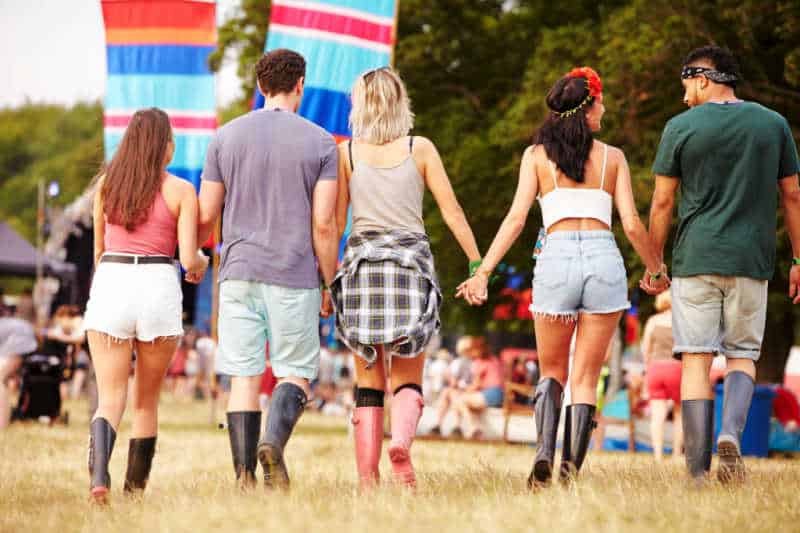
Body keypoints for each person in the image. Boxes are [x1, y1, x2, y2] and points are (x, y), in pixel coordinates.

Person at [457, 66, 667, 487]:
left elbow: (516, 219)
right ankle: (570, 469)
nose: (605, 109)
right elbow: (629, 223)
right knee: (586, 378)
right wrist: (656, 268)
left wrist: (483, 273)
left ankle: (542, 453)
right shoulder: (613, 158)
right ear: (588, 110)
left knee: (552, 371)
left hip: (555, 259)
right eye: (601, 102)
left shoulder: (537, 157)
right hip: (603, 259)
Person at [647, 45, 800, 483]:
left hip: (695, 259)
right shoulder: (773, 125)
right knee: (742, 355)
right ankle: (730, 434)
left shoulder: (680, 127)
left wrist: (656, 264)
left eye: (686, 88)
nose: (683, 98)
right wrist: (798, 258)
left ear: (702, 78)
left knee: (695, 359)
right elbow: (792, 195)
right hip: (752, 260)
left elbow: (662, 201)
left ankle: (697, 472)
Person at [331, 66, 481, 489]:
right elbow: (452, 211)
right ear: (401, 103)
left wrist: (328, 279)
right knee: (408, 374)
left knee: (368, 381)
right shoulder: (421, 148)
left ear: (359, 105)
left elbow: (336, 219)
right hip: (410, 268)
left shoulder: (348, 154)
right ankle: (400, 442)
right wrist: (476, 265)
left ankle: (366, 477)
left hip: (363, 270)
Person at [197, 48, 338, 489]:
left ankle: (243, 476)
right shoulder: (320, 142)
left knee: (244, 374)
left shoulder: (224, 137)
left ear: (260, 87)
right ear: (301, 85)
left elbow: (206, 213)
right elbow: (324, 222)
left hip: (238, 269)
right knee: (294, 368)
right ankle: (273, 441)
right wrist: (329, 282)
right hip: (293, 272)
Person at [82, 107, 208, 503]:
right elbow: (188, 259)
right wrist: (202, 263)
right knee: (146, 401)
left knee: (110, 396)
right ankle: (134, 494)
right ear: (165, 146)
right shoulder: (181, 191)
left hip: (112, 282)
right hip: (156, 286)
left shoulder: (106, 186)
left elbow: (99, 250)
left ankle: (99, 478)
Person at [641, 291, 682, 460]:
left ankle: (657, 455)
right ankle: (676, 453)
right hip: (676, 369)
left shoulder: (652, 321)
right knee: (680, 413)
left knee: (658, 414)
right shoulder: (681, 323)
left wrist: (648, 368)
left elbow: (645, 350)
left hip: (656, 369)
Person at [455, 337, 505, 439]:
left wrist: (463, 391)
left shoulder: (479, 362)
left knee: (460, 401)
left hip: (490, 393)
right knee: (470, 406)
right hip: (500, 394)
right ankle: (477, 430)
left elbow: (476, 385)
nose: (470, 354)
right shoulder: (494, 360)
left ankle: (473, 427)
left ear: (476, 350)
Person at [430, 336, 474, 436]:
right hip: (464, 390)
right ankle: (452, 426)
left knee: (450, 393)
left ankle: (440, 425)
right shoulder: (468, 362)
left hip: (464, 390)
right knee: (449, 393)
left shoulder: (461, 362)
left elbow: (453, 382)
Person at [0, 316, 37, 429]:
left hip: (18, 343)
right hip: (25, 340)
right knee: (3, 380)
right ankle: (3, 422)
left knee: (1, 379)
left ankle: (2, 422)